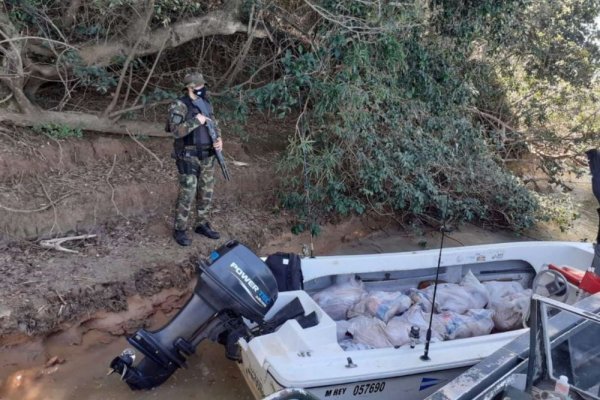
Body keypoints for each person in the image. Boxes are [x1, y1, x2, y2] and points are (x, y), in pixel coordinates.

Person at [167, 72, 223, 246]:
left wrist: (219, 139)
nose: (203, 89)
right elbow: (175, 132)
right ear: (190, 88)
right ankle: (180, 229)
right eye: (199, 87)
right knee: (188, 193)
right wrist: (195, 121)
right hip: (188, 156)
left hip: (207, 156)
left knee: (206, 193)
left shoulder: (206, 103)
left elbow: (214, 124)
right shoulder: (179, 105)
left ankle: (202, 224)